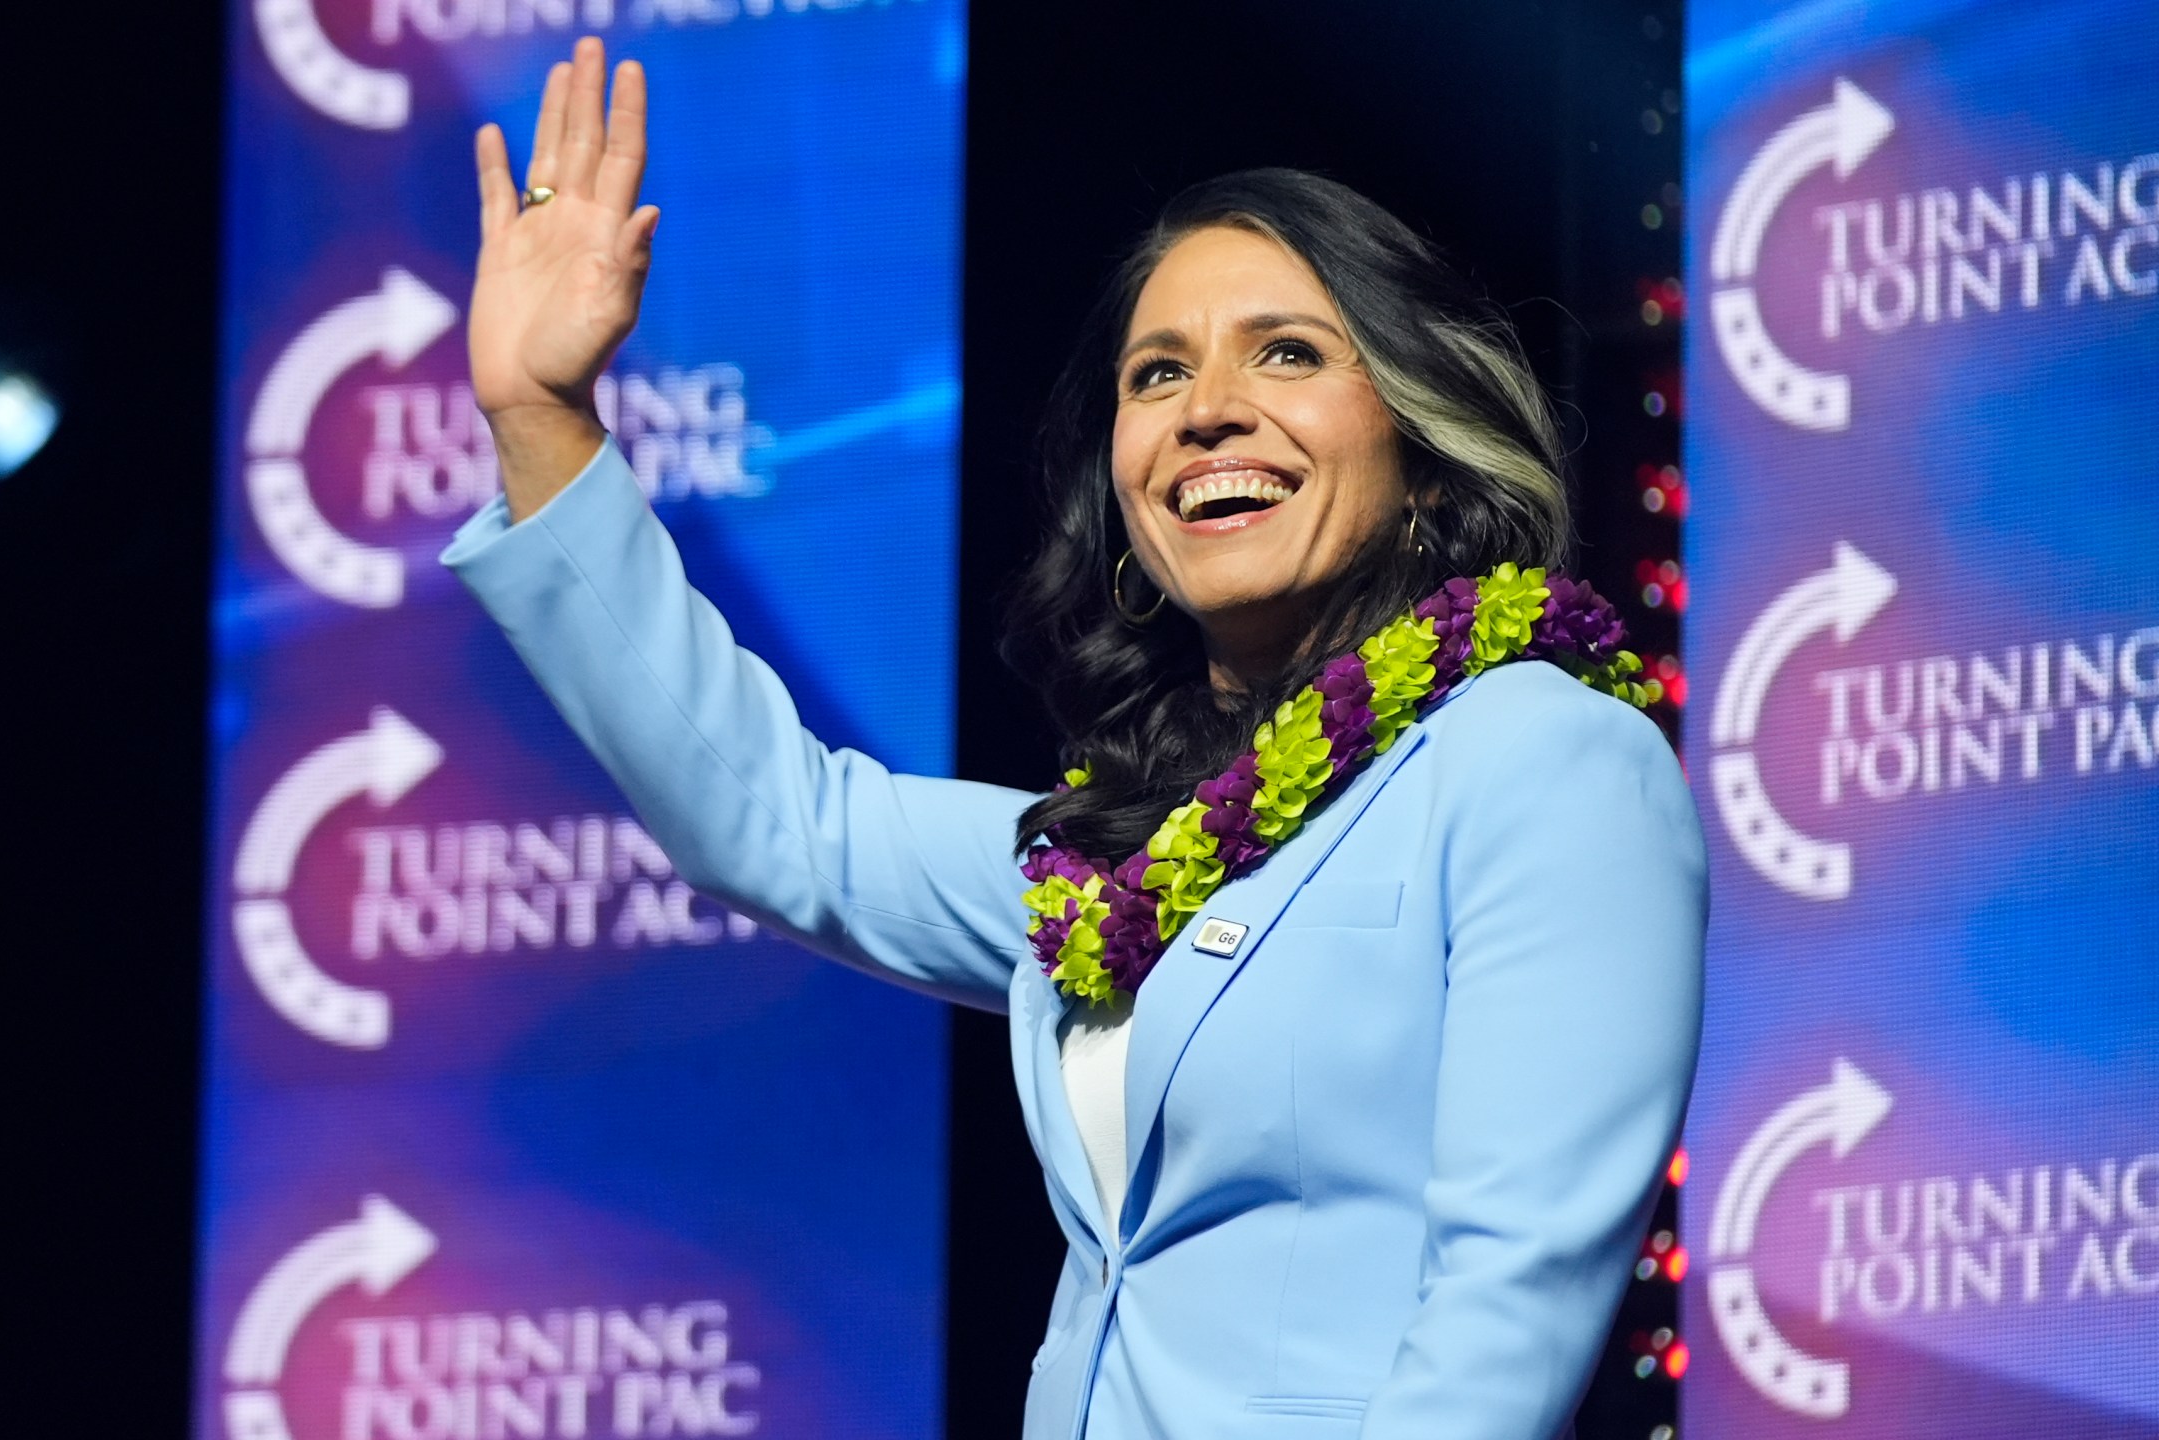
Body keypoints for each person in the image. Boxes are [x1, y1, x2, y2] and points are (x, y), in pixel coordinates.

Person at [444, 36, 1704, 1440]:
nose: (1208, 409)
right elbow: (779, 822)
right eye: (1155, 375)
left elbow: (1507, 1309)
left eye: (1288, 353)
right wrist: (541, 420)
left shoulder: (1541, 760)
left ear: (1419, 442)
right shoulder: (1113, 862)